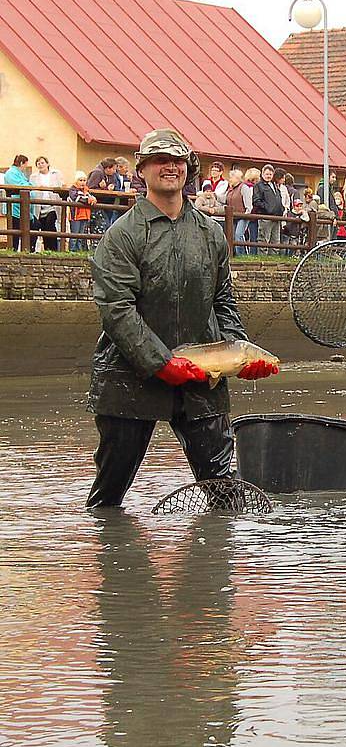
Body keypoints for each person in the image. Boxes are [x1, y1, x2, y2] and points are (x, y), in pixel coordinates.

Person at [85, 128, 278, 508]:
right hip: (128, 377)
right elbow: (116, 310)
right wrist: (160, 362)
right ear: (142, 170)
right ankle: (109, 558)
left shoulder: (210, 234)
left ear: (189, 169)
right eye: (159, 160)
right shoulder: (122, 235)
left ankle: (218, 564)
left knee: (226, 492)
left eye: (177, 160)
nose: (169, 167)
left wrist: (241, 352)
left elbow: (223, 302)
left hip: (201, 379)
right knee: (110, 495)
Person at [30, 156, 63, 250]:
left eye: (42, 163)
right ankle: (46, 249)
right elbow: (32, 189)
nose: (40, 165)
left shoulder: (55, 173)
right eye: (38, 163)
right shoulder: (33, 177)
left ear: (47, 163)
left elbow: (60, 185)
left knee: (50, 224)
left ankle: (53, 249)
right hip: (39, 206)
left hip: (52, 205)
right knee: (42, 226)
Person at [251, 164, 284, 254]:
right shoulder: (259, 186)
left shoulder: (274, 185)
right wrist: (267, 208)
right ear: (262, 174)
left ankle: (273, 259)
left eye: (270, 174)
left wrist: (281, 208)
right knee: (264, 239)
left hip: (277, 217)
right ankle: (262, 258)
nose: (268, 176)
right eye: (266, 174)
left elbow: (278, 198)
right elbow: (256, 201)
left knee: (275, 241)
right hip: (265, 216)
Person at [4, 154, 32, 250]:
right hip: (15, 207)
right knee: (15, 231)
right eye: (25, 165)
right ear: (21, 163)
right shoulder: (11, 173)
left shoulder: (19, 173)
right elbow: (21, 185)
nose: (25, 167)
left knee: (33, 225)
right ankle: (15, 250)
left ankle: (27, 249)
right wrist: (28, 184)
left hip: (22, 207)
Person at [87, 157, 117, 234]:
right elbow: (90, 188)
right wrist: (106, 188)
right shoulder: (97, 173)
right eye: (113, 169)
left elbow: (114, 184)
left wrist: (111, 186)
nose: (114, 171)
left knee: (106, 226)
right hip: (97, 204)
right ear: (107, 168)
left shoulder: (111, 175)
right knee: (102, 226)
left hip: (106, 203)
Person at [67, 171, 97, 251]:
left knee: (81, 236)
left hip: (85, 215)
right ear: (76, 181)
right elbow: (78, 199)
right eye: (80, 180)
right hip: (76, 216)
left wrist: (93, 199)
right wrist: (89, 200)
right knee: (74, 235)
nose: (83, 182)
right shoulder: (73, 190)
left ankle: (79, 250)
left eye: (84, 180)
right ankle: (72, 251)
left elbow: (91, 198)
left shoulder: (86, 191)